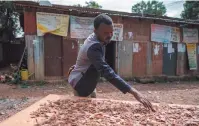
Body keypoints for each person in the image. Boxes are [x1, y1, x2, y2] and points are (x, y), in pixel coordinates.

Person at [68, 13, 155, 111]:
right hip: (81, 84)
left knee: (93, 107)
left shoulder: (96, 39)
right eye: (105, 33)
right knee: (85, 113)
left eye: (111, 32)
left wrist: (78, 65)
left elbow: (86, 56)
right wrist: (134, 92)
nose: (109, 35)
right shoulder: (93, 47)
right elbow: (106, 71)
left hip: (88, 81)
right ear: (95, 31)